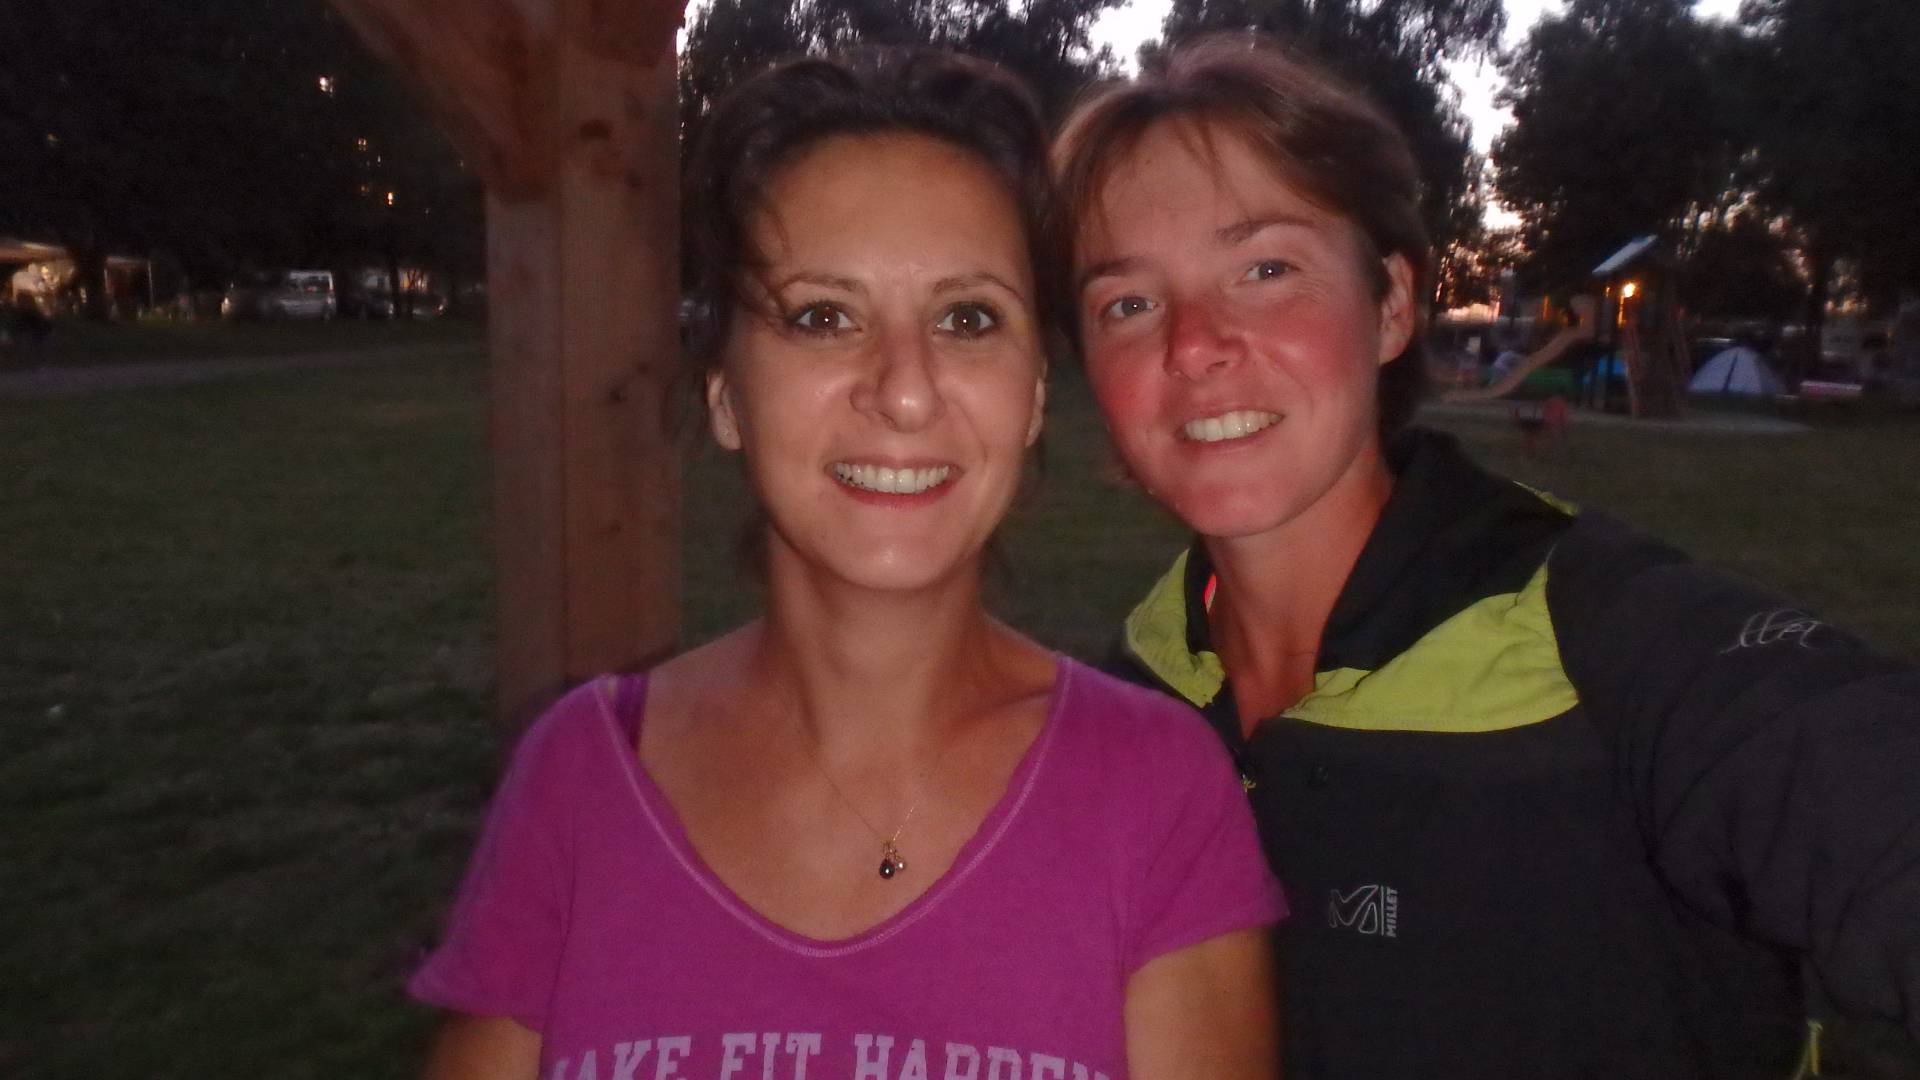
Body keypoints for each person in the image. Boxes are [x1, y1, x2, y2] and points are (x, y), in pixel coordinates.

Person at [1053, 35, 1920, 1080]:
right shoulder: (1119, 703)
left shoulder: (1612, 646)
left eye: (1266, 269)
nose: (1193, 344)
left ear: (1391, 305)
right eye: (1129, 303)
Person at [410, 49, 1285, 1080]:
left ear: (1034, 397)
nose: (905, 391)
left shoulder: (1156, 793)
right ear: (726, 393)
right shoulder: (578, 777)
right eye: (823, 316)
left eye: (967, 318)